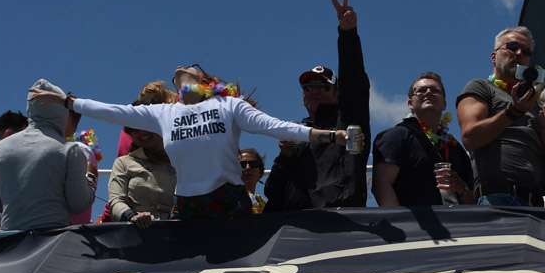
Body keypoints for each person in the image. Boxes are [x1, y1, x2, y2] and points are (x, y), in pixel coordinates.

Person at [32, 65, 346, 219]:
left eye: (189, 69)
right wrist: (66, 100)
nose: (179, 70)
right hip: (187, 205)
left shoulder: (229, 106)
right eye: (176, 73)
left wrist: (329, 135)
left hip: (228, 201)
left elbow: (277, 127)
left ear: (205, 83)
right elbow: (111, 112)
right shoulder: (163, 113)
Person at [264, 0, 371, 209]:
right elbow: (271, 191)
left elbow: (355, 85)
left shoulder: (349, 121)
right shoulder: (296, 134)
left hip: (339, 224)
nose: (313, 90)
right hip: (293, 231)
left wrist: (348, 34)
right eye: (307, 86)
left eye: (321, 86)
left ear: (336, 93)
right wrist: (285, 156)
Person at [457, 26, 545, 206]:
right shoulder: (481, 87)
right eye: (512, 47)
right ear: (494, 56)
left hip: (534, 203)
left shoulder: (533, 103)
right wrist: (513, 111)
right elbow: (470, 137)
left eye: (526, 51)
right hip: (497, 198)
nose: (519, 53)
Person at [0, 79, 98, 231]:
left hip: (10, 243)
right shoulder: (69, 150)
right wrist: (90, 177)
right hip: (50, 242)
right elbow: (79, 204)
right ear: (61, 111)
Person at [372, 72, 475, 206]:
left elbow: (473, 199)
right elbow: (381, 184)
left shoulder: (455, 147)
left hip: (455, 224)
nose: (428, 93)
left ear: (444, 104)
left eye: (435, 90)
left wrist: (461, 188)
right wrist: (401, 223)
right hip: (415, 225)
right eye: (421, 90)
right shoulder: (396, 136)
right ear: (410, 103)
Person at [109, 127, 177, 227]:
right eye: (134, 130)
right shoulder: (123, 163)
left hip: (177, 233)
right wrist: (131, 216)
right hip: (137, 235)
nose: (141, 132)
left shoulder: (181, 161)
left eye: (146, 126)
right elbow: (116, 200)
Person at [239, 148, 267, 213]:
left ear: (260, 171)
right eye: (242, 165)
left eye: (253, 164)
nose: (248, 167)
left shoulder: (261, 202)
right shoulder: (227, 197)